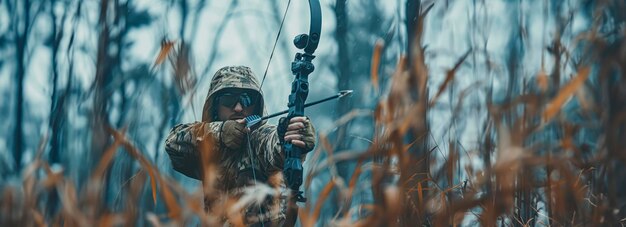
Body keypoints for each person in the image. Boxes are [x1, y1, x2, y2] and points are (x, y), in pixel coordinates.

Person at [165, 65, 316, 226]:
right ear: (215, 106)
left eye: (247, 100)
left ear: (256, 106)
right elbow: (173, 143)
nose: (238, 108)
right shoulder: (209, 147)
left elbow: (275, 146)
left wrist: (292, 137)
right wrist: (220, 132)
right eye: (229, 100)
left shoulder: (260, 137)